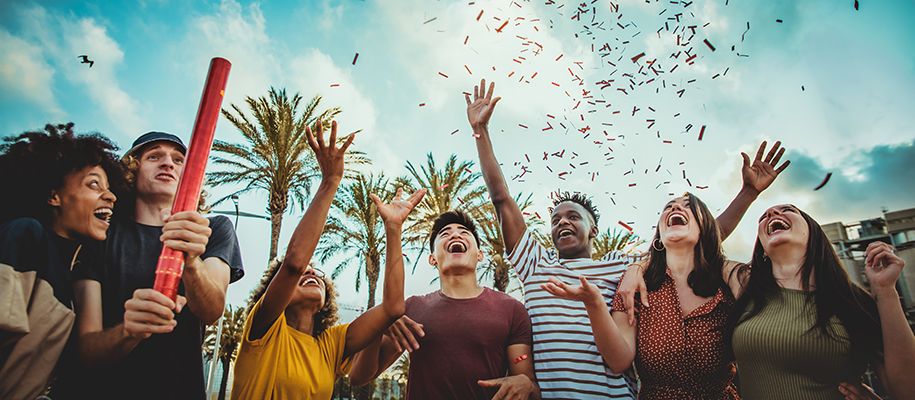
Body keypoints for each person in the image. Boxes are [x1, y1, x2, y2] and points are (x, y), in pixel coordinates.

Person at [464, 78, 787, 399]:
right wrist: (481, 132)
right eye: (556, 220)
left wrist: (747, 193)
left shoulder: (625, 267)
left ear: (594, 229)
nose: (562, 222)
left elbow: (697, 239)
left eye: (573, 216)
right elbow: (501, 197)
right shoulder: (534, 264)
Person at [230, 120, 425, 400]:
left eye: (318, 273)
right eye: (303, 275)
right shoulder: (264, 329)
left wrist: (393, 229)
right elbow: (295, 262)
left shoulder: (331, 344)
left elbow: (393, 308)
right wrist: (330, 181)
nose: (311, 272)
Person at [53, 131, 244, 399]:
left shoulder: (213, 229)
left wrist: (190, 260)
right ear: (131, 171)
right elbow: (86, 350)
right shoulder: (100, 234)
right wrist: (128, 332)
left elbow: (211, 310)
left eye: (179, 161)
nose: (168, 163)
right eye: (154, 156)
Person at [544, 193, 742, 399]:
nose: (675, 209)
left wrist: (748, 194)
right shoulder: (634, 286)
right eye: (668, 207)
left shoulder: (727, 282)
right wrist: (594, 302)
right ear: (659, 235)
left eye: (687, 206)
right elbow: (619, 360)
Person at [349, 209, 541, 400]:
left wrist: (525, 384)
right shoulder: (410, 309)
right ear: (432, 258)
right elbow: (358, 377)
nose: (456, 234)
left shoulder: (512, 310)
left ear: (480, 255)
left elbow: (529, 385)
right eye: (445, 234)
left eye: (464, 233)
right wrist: (380, 321)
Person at [729, 205, 915, 400]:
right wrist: (749, 191)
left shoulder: (853, 302)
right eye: (762, 217)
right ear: (762, 248)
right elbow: (700, 242)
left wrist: (885, 289)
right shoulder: (745, 285)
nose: (772, 213)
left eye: (788, 210)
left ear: (814, 234)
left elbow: (907, 393)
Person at [0, 123, 122, 399]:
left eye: (110, 188)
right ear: (53, 196)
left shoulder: (73, 274)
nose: (111, 196)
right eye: (94, 184)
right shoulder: (24, 235)